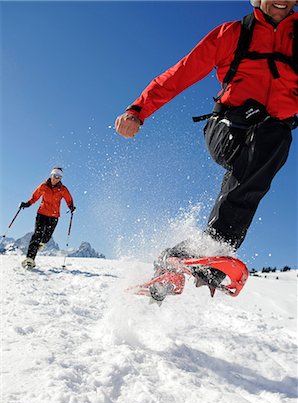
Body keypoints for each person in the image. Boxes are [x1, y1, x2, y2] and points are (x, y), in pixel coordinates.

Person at [115, 0, 298, 300]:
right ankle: (214, 247)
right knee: (268, 141)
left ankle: (180, 263)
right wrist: (138, 109)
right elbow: (181, 72)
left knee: (274, 139)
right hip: (229, 128)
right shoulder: (234, 33)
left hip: (268, 139)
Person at [20, 167, 76, 268]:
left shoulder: (63, 189)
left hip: (54, 216)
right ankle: (30, 259)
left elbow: (69, 200)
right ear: (51, 175)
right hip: (42, 214)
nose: (56, 178)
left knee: (46, 237)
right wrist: (28, 204)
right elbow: (35, 196)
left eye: (59, 177)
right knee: (37, 234)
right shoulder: (44, 186)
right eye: (55, 176)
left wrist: (71, 207)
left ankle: (41, 243)